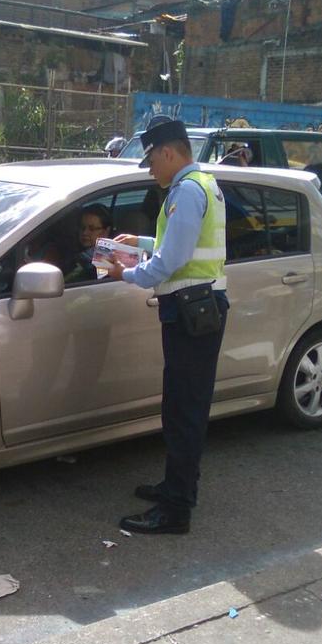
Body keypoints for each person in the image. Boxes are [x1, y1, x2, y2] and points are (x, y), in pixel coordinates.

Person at [104, 116, 229, 535]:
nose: (150, 168)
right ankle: (175, 488)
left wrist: (125, 275)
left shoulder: (188, 191)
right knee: (180, 406)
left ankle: (176, 510)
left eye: (152, 160)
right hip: (194, 308)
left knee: (185, 411)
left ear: (169, 152)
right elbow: (175, 246)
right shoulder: (197, 185)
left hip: (193, 310)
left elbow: (171, 261)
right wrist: (136, 244)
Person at [65, 204, 112, 282]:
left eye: (92, 229)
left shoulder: (107, 258)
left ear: (106, 231)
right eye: (82, 227)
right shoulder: (72, 250)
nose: (85, 232)